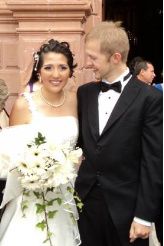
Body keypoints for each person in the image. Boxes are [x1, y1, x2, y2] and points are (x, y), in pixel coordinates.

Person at [75, 21, 162, 246]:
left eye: (93, 57)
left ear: (115, 57)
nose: (88, 63)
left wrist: (144, 216)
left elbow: (154, 161)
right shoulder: (84, 94)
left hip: (128, 211)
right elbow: (82, 146)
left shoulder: (150, 98)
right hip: (86, 205)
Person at [0, 39, 81, 245]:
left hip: (66, 196)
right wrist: (35, 173)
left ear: (70, 71)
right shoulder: (23, 104)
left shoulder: (76, 100)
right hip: (32, 198)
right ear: (39, 71)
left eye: (63, 67)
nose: (56, 74)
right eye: (48, 68)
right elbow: (11, 157)